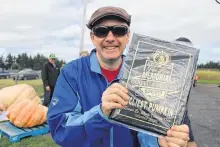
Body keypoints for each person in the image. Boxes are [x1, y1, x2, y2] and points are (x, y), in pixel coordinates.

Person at [47, 6, 197, 147]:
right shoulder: (72, 73)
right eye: (101, 31)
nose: (110, 37)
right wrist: (101, 113)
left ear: (128, 36)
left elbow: (147, 130)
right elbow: (60, 130)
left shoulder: (144, 72)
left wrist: (158, 141)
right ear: (92, 37)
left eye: (118, 30)